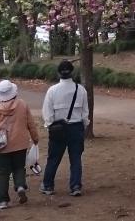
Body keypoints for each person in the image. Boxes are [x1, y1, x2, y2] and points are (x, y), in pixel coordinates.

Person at [0, 79, 39, 210]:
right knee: (19, 167)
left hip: (1, 147)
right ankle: (20, 186)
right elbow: (31, 124)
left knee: (2, 173)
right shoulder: (22, 105)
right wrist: (35, 138)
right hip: (20, 144)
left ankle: (2, 201)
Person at [41, 59, 89, 196]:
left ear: (58, 73)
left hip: (58, 128)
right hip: (76, 127)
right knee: (76, 158)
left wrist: (49, 125)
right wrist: (83, 125)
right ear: (72, 72)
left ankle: (48, 185)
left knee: (53, 158)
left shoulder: (52, 91)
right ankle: (75, 186)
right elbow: (85, 112)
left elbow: (47, 112)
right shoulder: (81, 90)